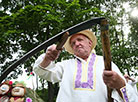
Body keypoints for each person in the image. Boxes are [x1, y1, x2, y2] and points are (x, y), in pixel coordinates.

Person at [33, 29, 138, 102]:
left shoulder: (106, 63)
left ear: (90, 43)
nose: (76, 44)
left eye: (80, 40)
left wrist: (120, 85)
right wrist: (48, 58)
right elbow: (41, 71)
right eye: (73, 43)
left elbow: (131, 99)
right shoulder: (66, 65)